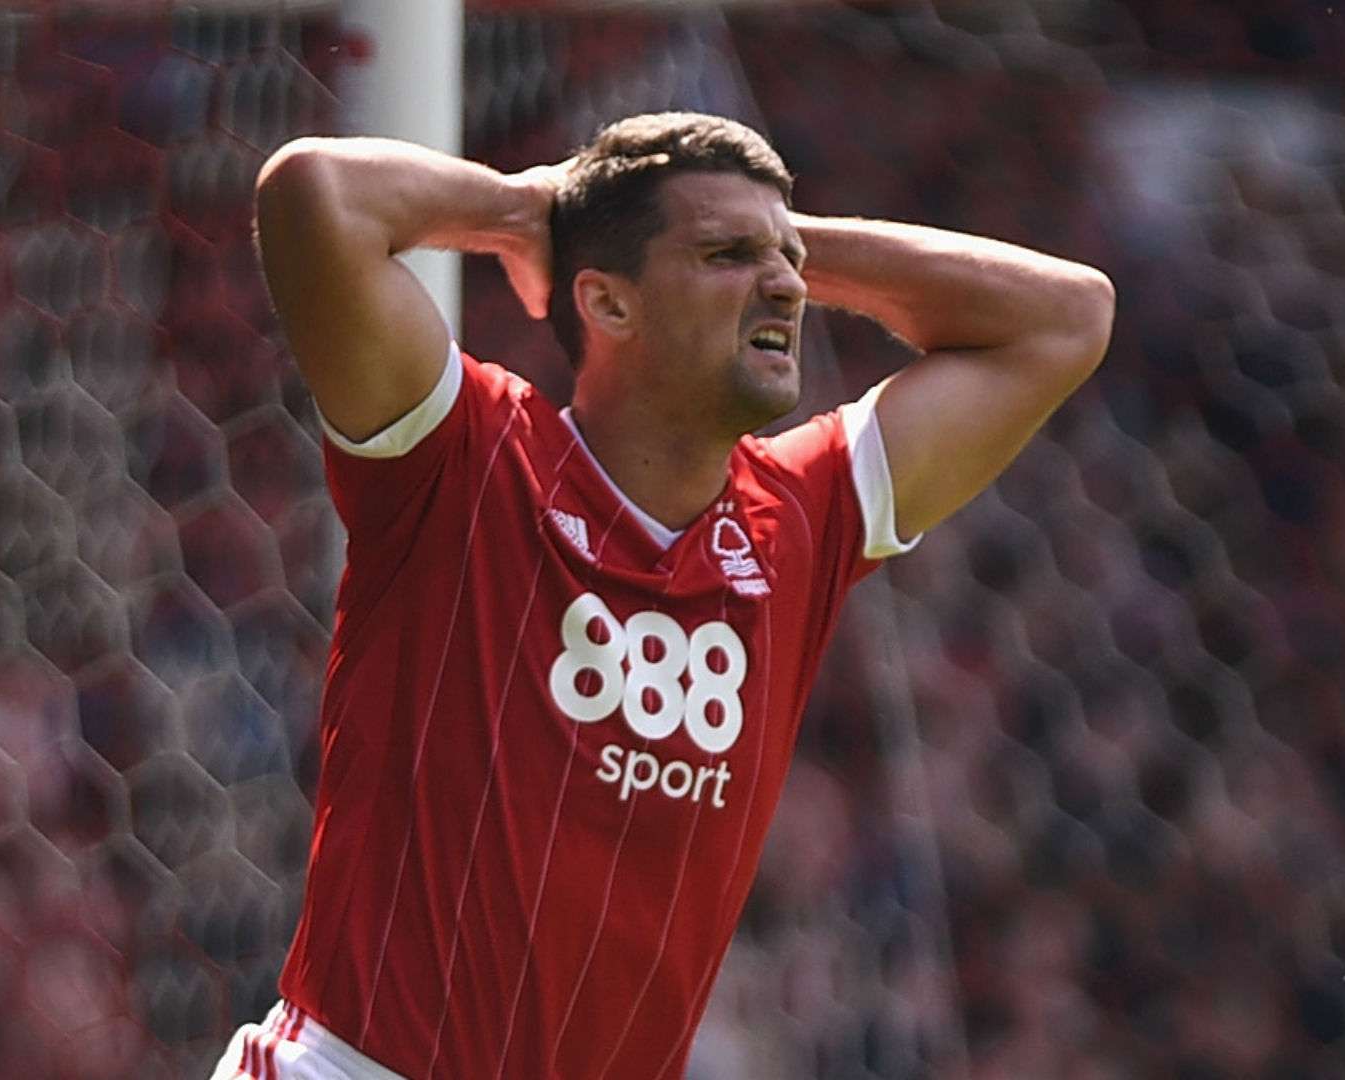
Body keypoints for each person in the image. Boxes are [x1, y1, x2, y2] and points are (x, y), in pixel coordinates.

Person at [215, 112, 1114, 1080]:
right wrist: (531, 209)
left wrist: (790, 249)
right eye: (726, 254)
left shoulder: (801, 518)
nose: (782, 285)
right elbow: (314, 194)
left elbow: (1069, 316)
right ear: (608, 305)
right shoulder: (470, 459)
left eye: (787, 259)